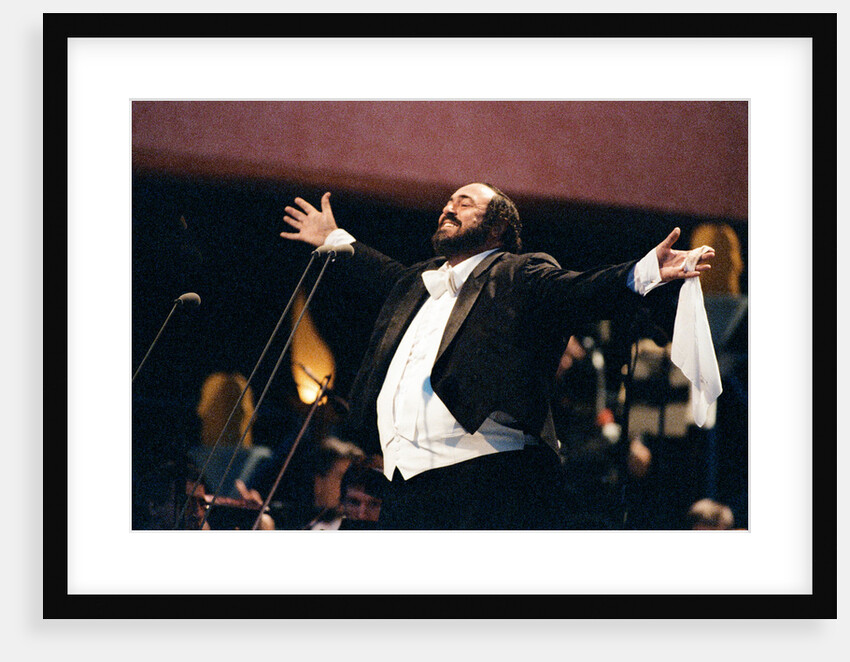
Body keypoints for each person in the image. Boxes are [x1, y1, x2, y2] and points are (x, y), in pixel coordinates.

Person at [280, 183, 714, 529]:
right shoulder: (418, 281)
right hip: (405, 485)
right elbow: (376, 269)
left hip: (483, 480)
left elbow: (578, 290)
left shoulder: (516, 273)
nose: (448, 208)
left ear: (496, 228)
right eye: (447, 202)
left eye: (464, 203)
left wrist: (645, 272)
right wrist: (335, 240)